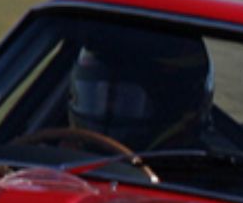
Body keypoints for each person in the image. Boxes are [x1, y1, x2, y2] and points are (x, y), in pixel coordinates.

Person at [66, 27, 214, 152]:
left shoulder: (209, 181)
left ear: (173, 105)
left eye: (126, 100)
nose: (108, 107)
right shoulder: (60, 157)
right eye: (95, 97)